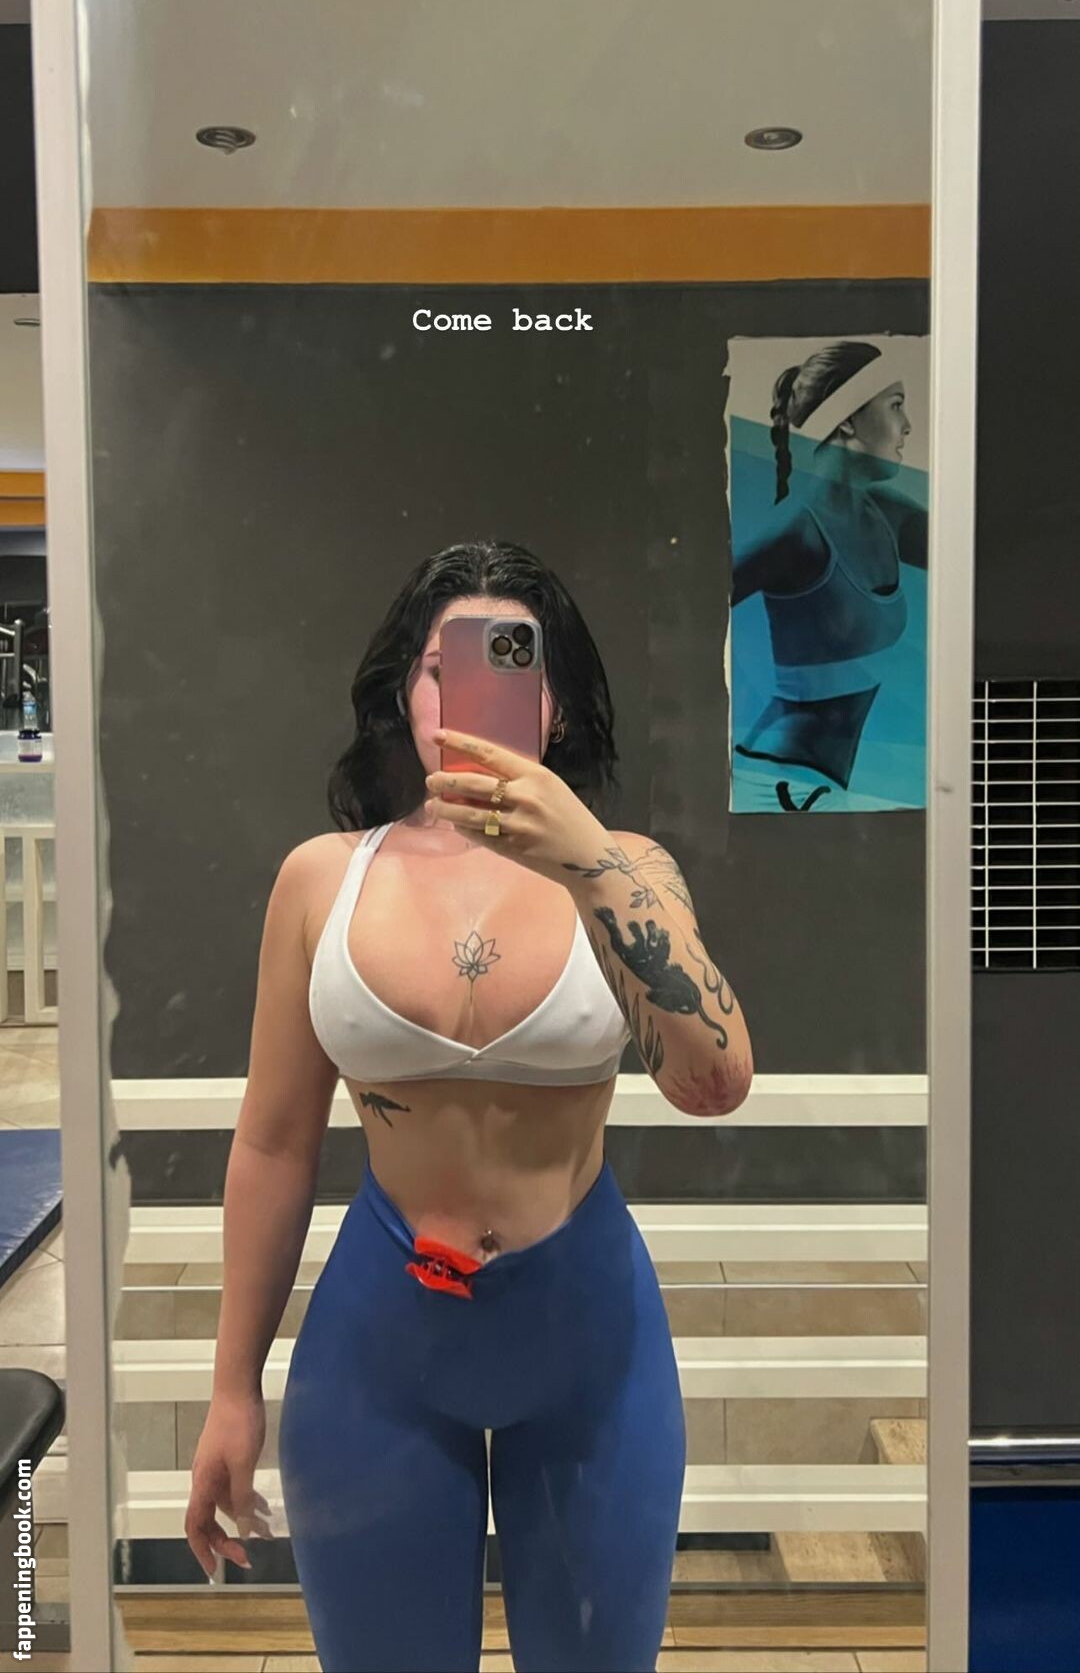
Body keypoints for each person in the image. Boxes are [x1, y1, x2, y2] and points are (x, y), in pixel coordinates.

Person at [184, 539, 753, 1673]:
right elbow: (275, 1141)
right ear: (404, 692)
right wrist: (230, 1388)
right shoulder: (323, 878)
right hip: (381, 1345)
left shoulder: (629, 870)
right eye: (442, 667)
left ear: (553, 701)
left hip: (588, 1339)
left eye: (510, 663)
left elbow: (716, 1078)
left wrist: (585, 856)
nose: (468, 696)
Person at [731, 340, 928, 798]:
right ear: (847, 420)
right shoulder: (795, 531)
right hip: (776, 781)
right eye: (896, 405)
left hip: (823, 786)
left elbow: (986, 555)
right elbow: (693, 609)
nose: (908, 424)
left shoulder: (886, 514)